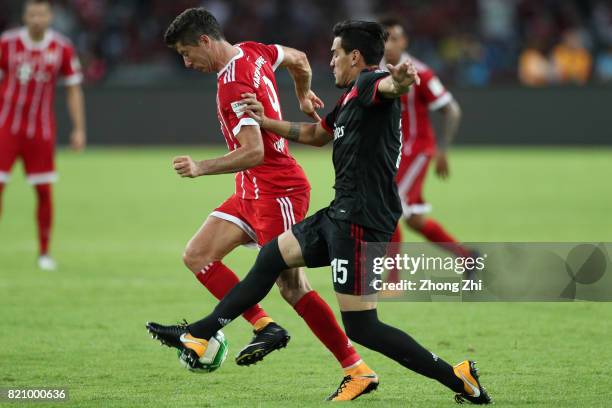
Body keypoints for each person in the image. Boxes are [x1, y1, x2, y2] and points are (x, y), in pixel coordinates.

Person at [148, 20, 491, 404]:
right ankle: (203, 331)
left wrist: (403, 82)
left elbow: (388, 87)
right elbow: (315, 135)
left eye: (335, 54)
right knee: (270, 257)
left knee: (364, 327)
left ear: (355, 57)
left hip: (361, 223)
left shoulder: (369, 84)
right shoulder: (347, 99)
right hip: (338, 214)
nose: (329, 61)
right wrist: (264, 121)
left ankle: (457, 377)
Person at [146, 8, 373, 399]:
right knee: (199, 254)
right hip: (249, 191)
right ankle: (263, 326)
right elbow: (300, 59)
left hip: (277, 188)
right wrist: (302, 93)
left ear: (204, 41)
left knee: (292, 286)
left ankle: (357, 368)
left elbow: (253, 152)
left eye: (186, 53)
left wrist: (201, 167)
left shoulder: (232, 84)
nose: (186, 63)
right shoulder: (253, 50)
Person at [379, 18, 476, 285]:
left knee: (390, 205)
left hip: (417, 149)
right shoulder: (376, 72)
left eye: (393, 38)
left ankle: (393, 279)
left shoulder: (421, 72)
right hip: (394, 152)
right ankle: (467, 257)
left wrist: (443, 150)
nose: (388, 44)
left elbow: (451, 109)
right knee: (415, 220)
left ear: (404, 41)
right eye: (383, 38)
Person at [0, 0, 86, 271]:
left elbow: (73, 89)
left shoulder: (61, 47)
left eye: (42, 14)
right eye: (32, 14)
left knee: (44, 191)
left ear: (50, 16)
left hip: (41, 131)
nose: (37, 18)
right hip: (6, 129)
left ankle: (44, 253)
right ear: (25, 16)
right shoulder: (7, 43)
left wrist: (79, 128)